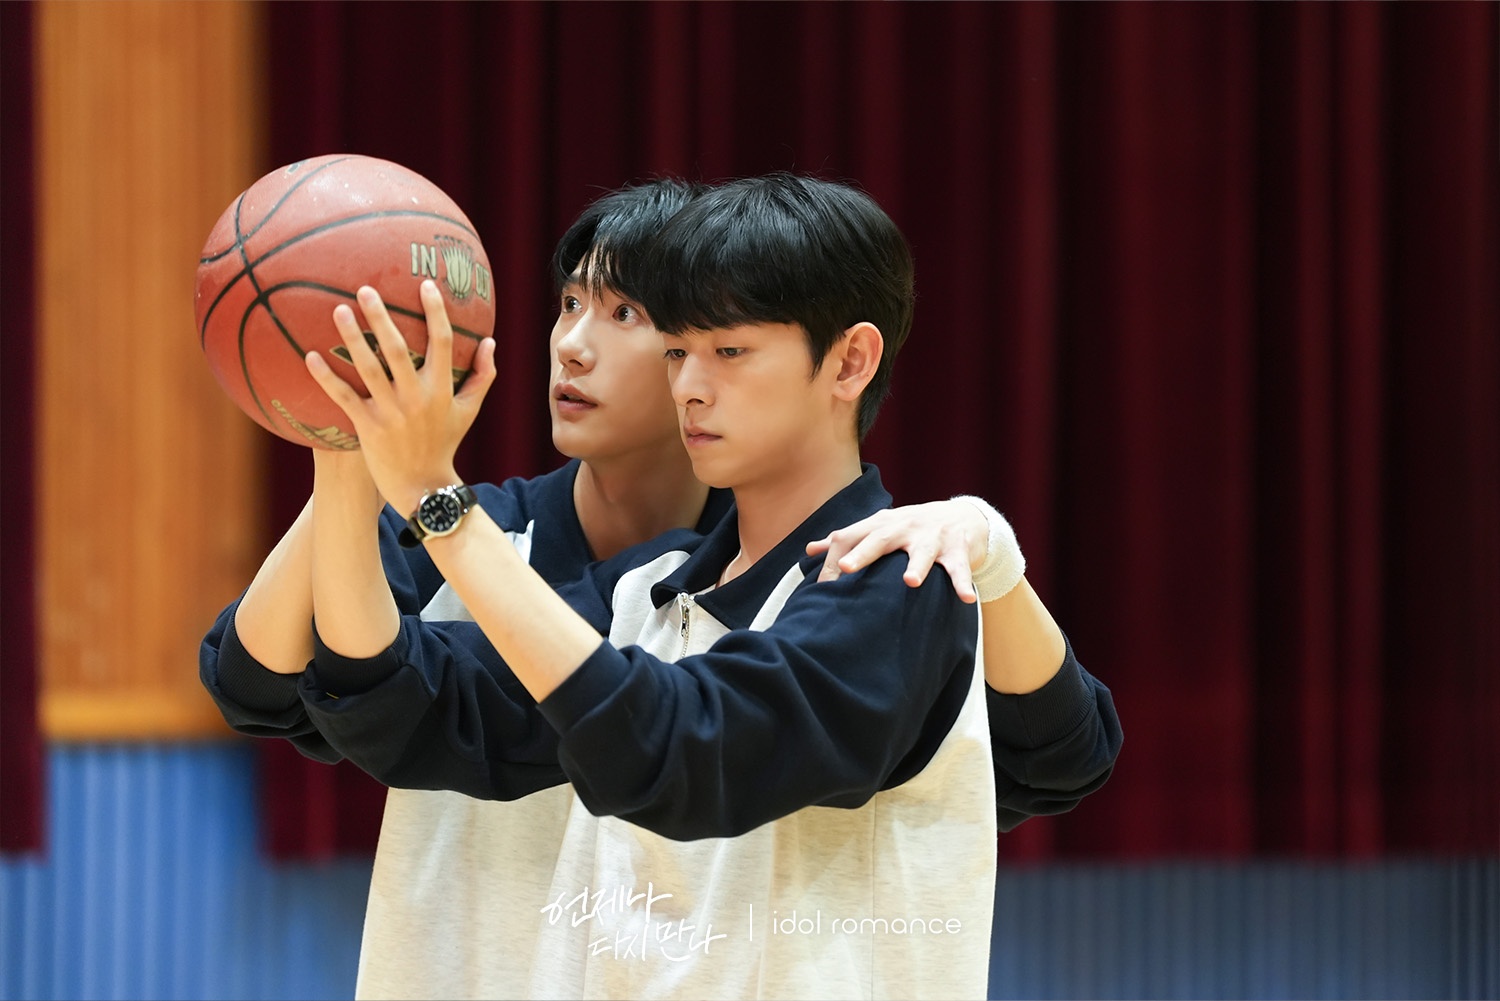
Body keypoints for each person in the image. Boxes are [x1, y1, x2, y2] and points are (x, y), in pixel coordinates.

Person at [280, 172, 1117, 1000]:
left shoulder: (900, 580)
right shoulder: (646, 590)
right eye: (679, 351)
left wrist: (441, 503)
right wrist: (348, 443)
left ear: (850, 361)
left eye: (729, 351)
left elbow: (683, 750)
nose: (690, 385)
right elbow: (395, 701)